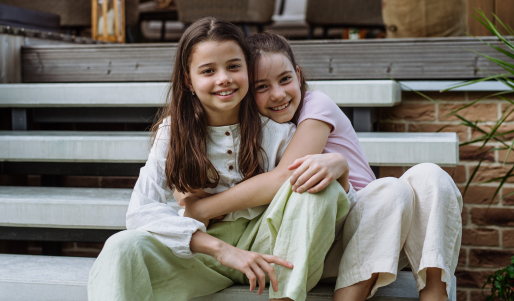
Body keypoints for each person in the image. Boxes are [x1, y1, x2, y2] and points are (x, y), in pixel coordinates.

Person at [178, 31, 463, 301]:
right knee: (390, 190)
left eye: (285, 79)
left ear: (298, 75)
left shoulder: (315, 104)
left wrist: (202, 209)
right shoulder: (255, 129)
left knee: (428, 176)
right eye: (261, 87)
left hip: (374, 228)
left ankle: (435, 293)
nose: (278, 94)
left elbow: (285, 175)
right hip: (318, 242)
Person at [88, 19, 351, 301]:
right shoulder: (173, 131)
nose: (223, 78)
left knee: (317, 188)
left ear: (248, 72)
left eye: (234, 66)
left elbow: (322, 201)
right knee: (121, 246)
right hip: (203, 253)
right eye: (208, 71)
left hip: (270, 247)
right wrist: (222, 249)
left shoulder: (277, 130)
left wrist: (339, 168)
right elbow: (140, 210)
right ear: (188, 80)